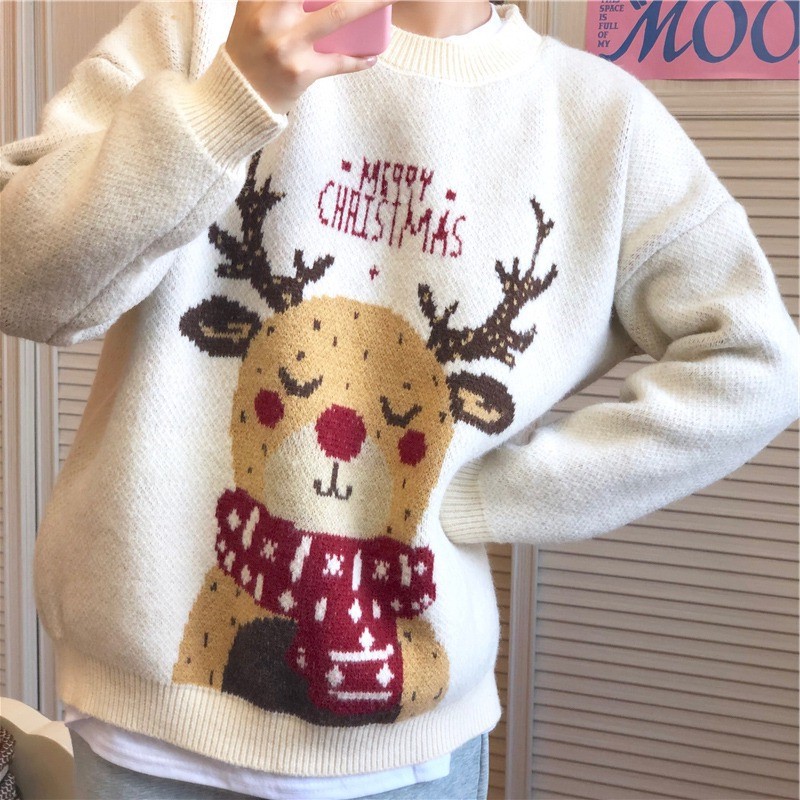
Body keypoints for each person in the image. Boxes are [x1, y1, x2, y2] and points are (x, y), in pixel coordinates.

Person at [1, 0, 798, 798]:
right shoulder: (203, 27)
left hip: (409, 759)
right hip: (144, 734)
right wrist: (227, 102)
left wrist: (489, 496)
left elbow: (756, 362)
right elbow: (20, 280)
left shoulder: (602, 123)